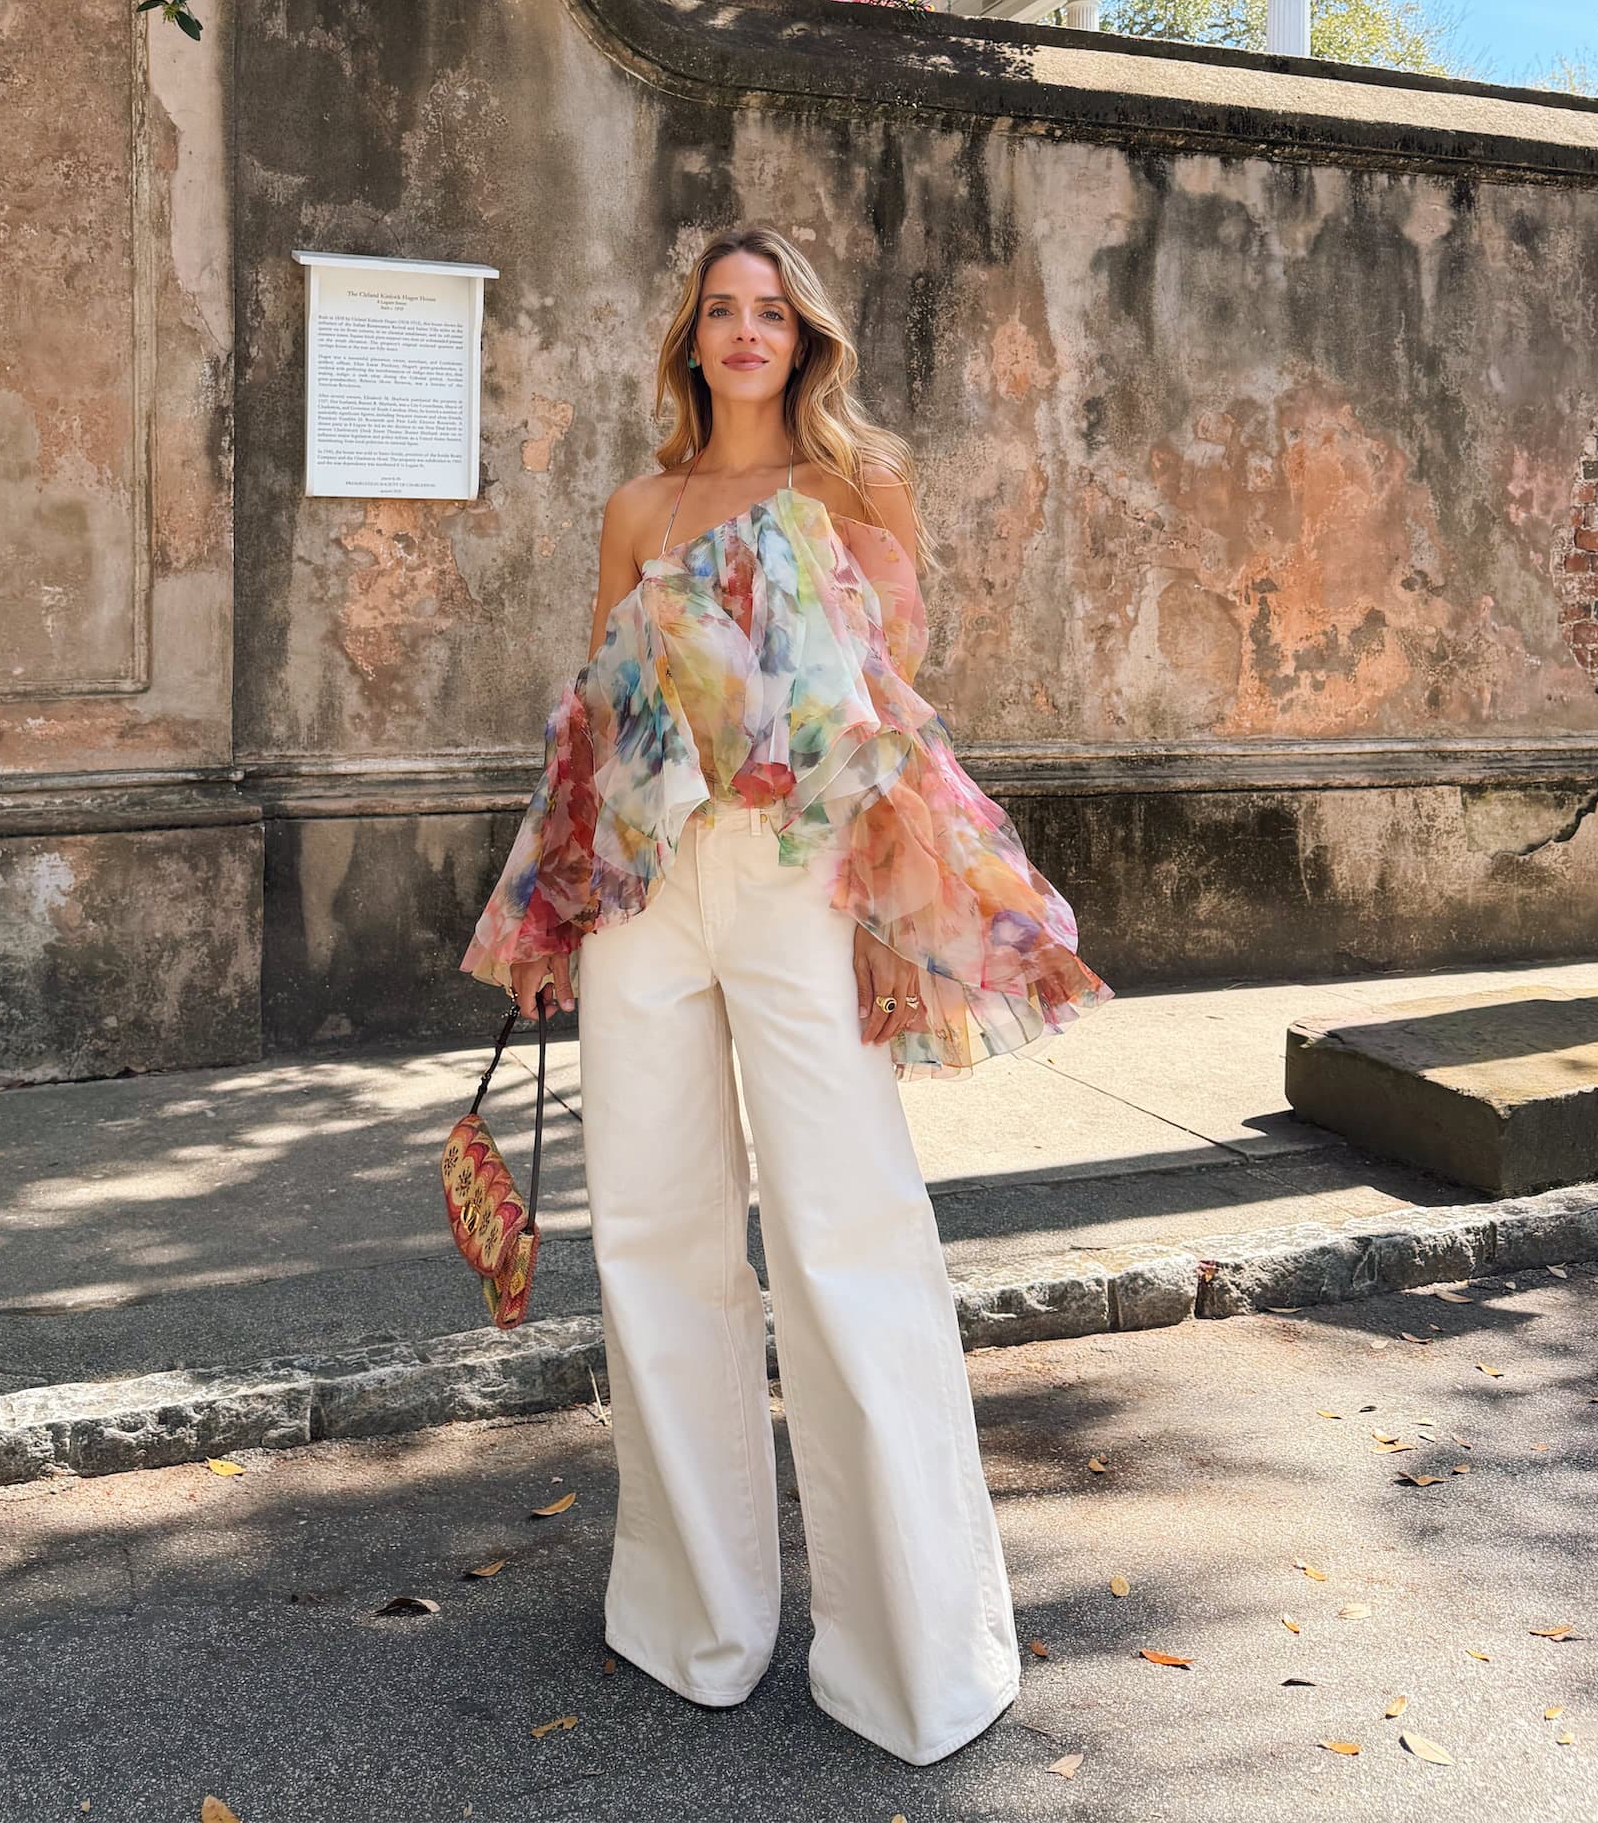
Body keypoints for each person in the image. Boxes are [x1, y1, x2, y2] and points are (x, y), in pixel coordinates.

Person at [457, 224, 1112, 1766]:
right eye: (720, 309)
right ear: (687, 337)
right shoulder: (634, 507)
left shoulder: (851, 495)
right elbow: (596, 722)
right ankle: (695, 1617)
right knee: (655, 1234)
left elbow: (887, 724)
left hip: (792, 877)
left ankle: (918, 1655)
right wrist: (552, 908)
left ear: (805, 340)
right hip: (640, 896)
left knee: (846, 1228)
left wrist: (898, 921)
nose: (745, 332)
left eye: (771, 311)